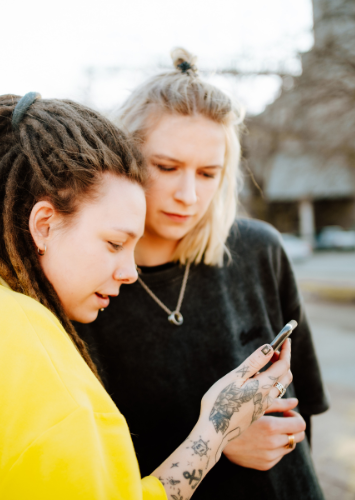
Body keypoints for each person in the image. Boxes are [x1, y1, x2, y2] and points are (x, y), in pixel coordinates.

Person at [0, 93, 292, 500]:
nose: (129, 272)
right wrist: (215, 431)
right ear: (44, 224)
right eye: (114, 243)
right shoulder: (24, 338)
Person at [76, 49, 329, 500]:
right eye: (167, 167)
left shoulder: (259, 250)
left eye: (208, 173)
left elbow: (305, 408)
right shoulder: (85, 287)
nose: (189, 195)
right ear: (124, 158)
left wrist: (284, 437)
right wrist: (219, 441)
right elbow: (90, 458)